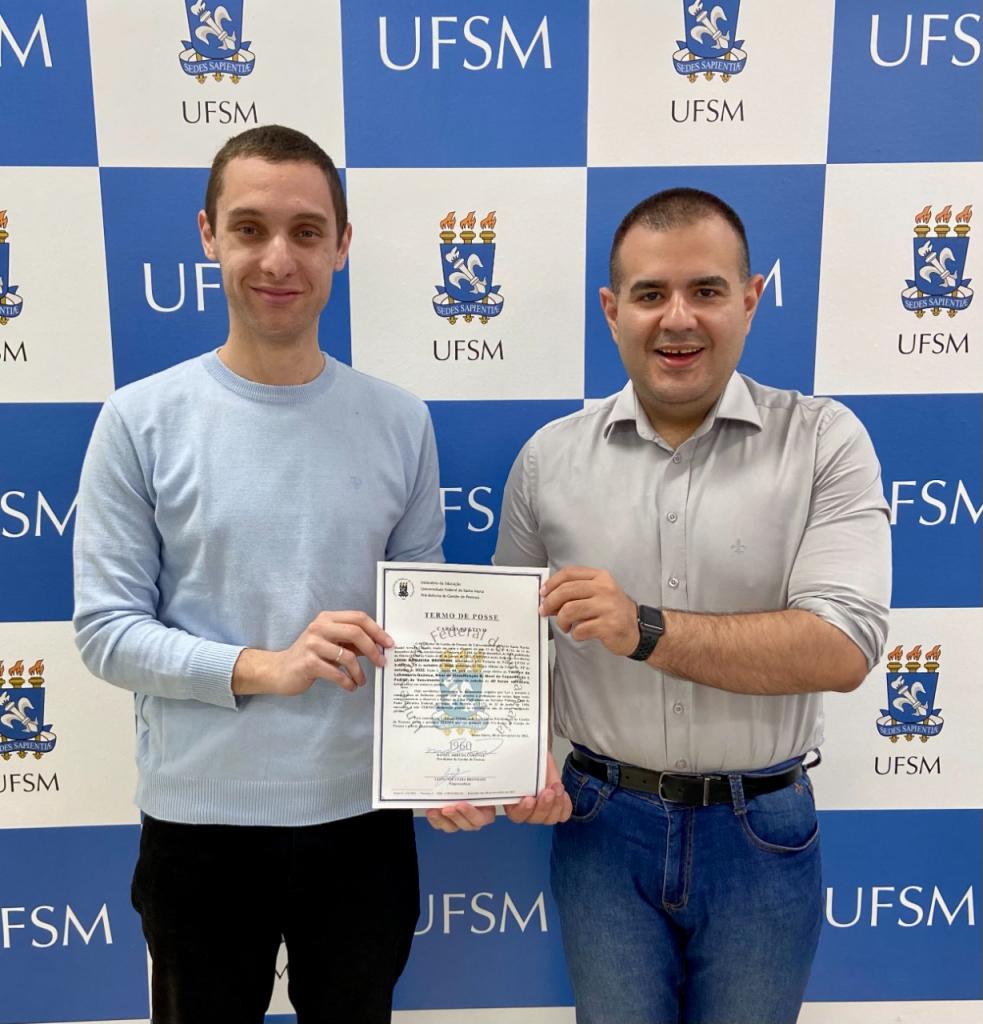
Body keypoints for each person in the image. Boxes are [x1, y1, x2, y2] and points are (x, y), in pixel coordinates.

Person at [491, 188, 891, 1024]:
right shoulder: (546, 461)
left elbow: (841, 646)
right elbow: (504, 655)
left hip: (761, 831)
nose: (677, 319)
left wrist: (642, 628)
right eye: (649, 294)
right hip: (600, 826)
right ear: (612, 311)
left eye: (705, 290)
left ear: (750, 298)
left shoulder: (823, 442)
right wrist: (495, 766)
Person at [73, 125, 444, 1024]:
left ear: (342, 245)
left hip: (362, 825)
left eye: (307, 232)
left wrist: (454, 769)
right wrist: (263, 667)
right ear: (209, 236)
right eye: (249, 229)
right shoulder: (138, 420)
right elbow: (106, 632)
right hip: (199, 830)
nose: (278, 259)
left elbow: (429, 630)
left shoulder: (400, 421)